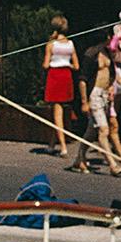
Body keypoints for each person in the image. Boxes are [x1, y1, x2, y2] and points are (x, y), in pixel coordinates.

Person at [42, 16, 80, 162]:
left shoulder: (51, 44)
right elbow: (76, 66)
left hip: (55, 76)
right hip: (66, 75)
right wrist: (67, 64)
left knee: (57, 113)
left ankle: (63, 146)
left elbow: (46, 65)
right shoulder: (71, 44)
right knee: (59, 111)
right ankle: (52, 144)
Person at [86, 47, 121, 175]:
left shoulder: (110, 54)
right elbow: (83, 78)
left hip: (104, 95)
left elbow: (113, 76)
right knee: (104, 130)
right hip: (95, 94)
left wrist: (111, 87)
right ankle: (113, 165)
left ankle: (78, 159)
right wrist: (84, 100)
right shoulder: (92, 54)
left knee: (91, 130)